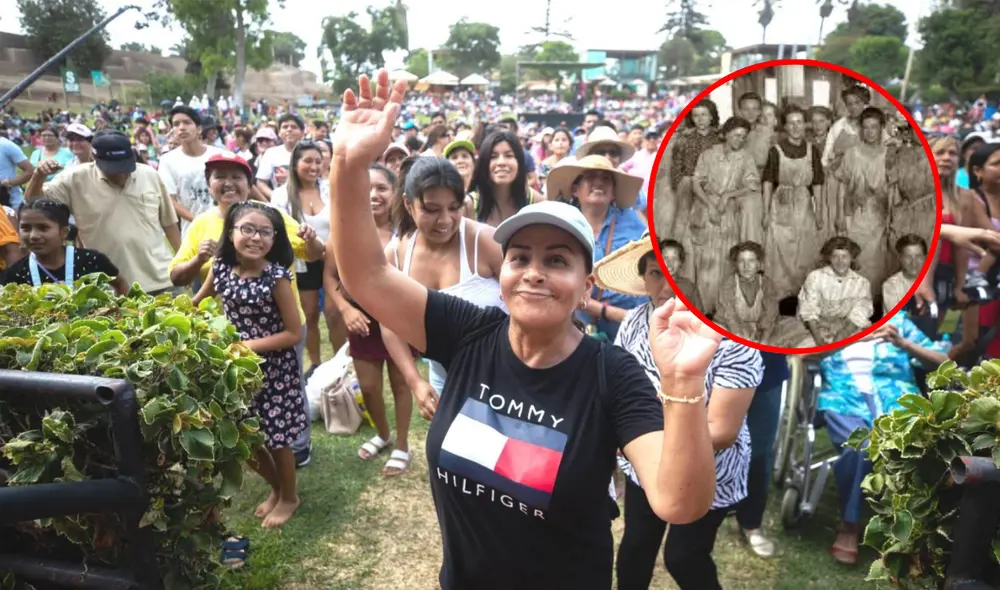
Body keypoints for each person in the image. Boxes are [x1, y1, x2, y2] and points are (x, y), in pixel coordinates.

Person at [327, 70, 719, 590]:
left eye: (556, 260)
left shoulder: (611, 375)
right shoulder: (469, 331)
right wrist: (347, 164)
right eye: (519, 257)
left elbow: (678, 502)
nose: (533, 271)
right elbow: (368, 276)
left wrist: (685, 381)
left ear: (586, 287)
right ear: (502, 273)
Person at [593, 232, 761, 590]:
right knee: (637, 543)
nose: (667, 284)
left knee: (684, 556)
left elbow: (722, 429)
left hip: (709, 471)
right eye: (656, 273)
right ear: (644, 279)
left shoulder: (735, 337)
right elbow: (619, 391)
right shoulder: (637, 322)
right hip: (645, 462)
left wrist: (640, 433)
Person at [193, 201, 308, 529]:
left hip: (273, 369)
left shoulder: (277, 277)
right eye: (247, 229)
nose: (255, 237)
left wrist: (244, 347)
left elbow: (292, 333)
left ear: (274, 240)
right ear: (230, 233)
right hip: (237, 371)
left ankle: (290, 497)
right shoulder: (220, 268)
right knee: (246, 437)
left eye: (264, 232)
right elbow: (197, 302)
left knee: (277, 438)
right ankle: (276, 488)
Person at [819, 311, 950, 564]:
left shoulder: (896, 319)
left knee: (928, 445)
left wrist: (904, 344)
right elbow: (799, 355)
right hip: (844, 397)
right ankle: (850, 525)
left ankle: (919, 533)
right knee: (862, 446)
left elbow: (943, 360)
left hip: (895, 399)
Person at [24, 130, 183, 296]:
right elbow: (34, 203)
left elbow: (169, 223)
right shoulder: (75, 179)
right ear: (95, 159)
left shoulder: (149, 175)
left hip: (162, 280)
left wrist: (182, 263)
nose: (120, 173)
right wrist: (38, 176)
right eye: (112, 168)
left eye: (124, 167)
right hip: (109, 286)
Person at [4, 199, 127, 294]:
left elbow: (120, 284)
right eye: (26, 228)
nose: (33, 236)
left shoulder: (91, 260)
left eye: (43, 228)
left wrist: (119, 313)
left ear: (64, 232)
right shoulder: (17, 273)